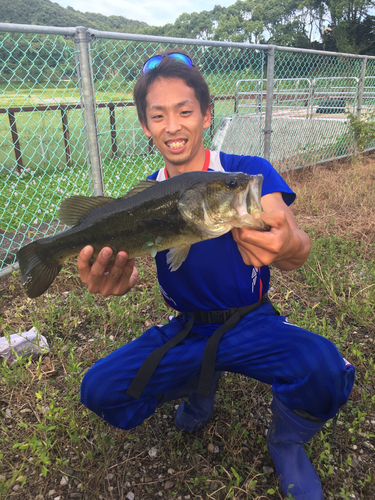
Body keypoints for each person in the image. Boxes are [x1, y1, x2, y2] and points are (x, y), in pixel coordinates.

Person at [78, 53, 355, 499]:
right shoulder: (144, 196)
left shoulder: (244, 175)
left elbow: (295, 247)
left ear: (206, 115)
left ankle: (286, 440)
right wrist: (117, 281)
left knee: (325, 369)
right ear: (146, 126)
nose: (173, 126)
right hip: (186, 328)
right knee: (99, 390)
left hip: (251, 320)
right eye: (158, 115)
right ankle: (197, 380)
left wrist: (286, 245)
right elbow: (131, 270)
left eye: (185, 111)